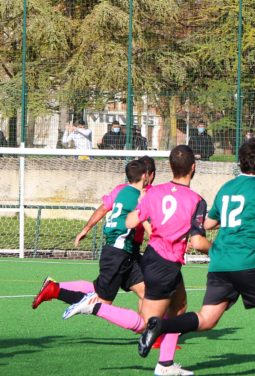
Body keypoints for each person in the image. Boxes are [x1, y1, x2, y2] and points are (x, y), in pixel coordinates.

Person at [137, 138, 255, 376]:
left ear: (240, 162)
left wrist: (186, 230)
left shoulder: (226, 188)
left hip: (220, 263)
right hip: (249, 263)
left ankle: (161, 325)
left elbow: (207, 223)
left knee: (207, 319)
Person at [62, 146, 210, 375]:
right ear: (193, 168)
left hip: (151, 256)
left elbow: (132, 221)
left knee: (179, 306)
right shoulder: (197, 200)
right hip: (165, 262)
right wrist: (215, 249)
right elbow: (199, 242)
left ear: (170, 167)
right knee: (148, 323)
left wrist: (145, 211)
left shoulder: (153, 192)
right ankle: (94, 306)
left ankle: (166, 364)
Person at [32, 157, 157, 310]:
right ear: (147, 175)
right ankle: (55, 291)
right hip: (120, 252)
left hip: (125, 252)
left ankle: (149, 329)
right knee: (102, 302)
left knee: (148, 293)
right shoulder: (143, 195)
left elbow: (105, 208)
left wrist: (85, 229)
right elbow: (148, 223)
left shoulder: (121, 190)